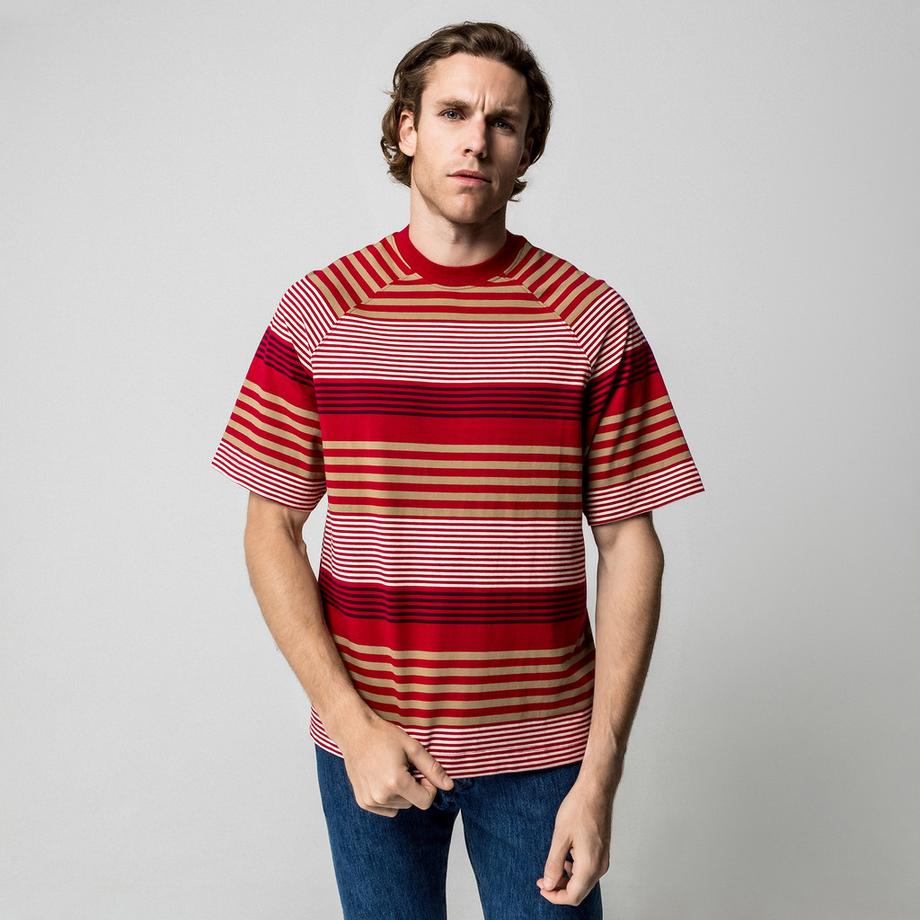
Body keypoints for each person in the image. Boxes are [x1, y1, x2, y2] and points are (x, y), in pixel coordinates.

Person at [210, 20, 705, 920]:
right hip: (372, 738)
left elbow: (631, 543)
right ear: (406, 129)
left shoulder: (589, 318)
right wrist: (350, 724)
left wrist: (599, 778)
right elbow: (269, 526)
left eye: (503, 122)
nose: (476, 139)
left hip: (546, 754)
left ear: (526, 151)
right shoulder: (322, 310)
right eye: (452, 113)